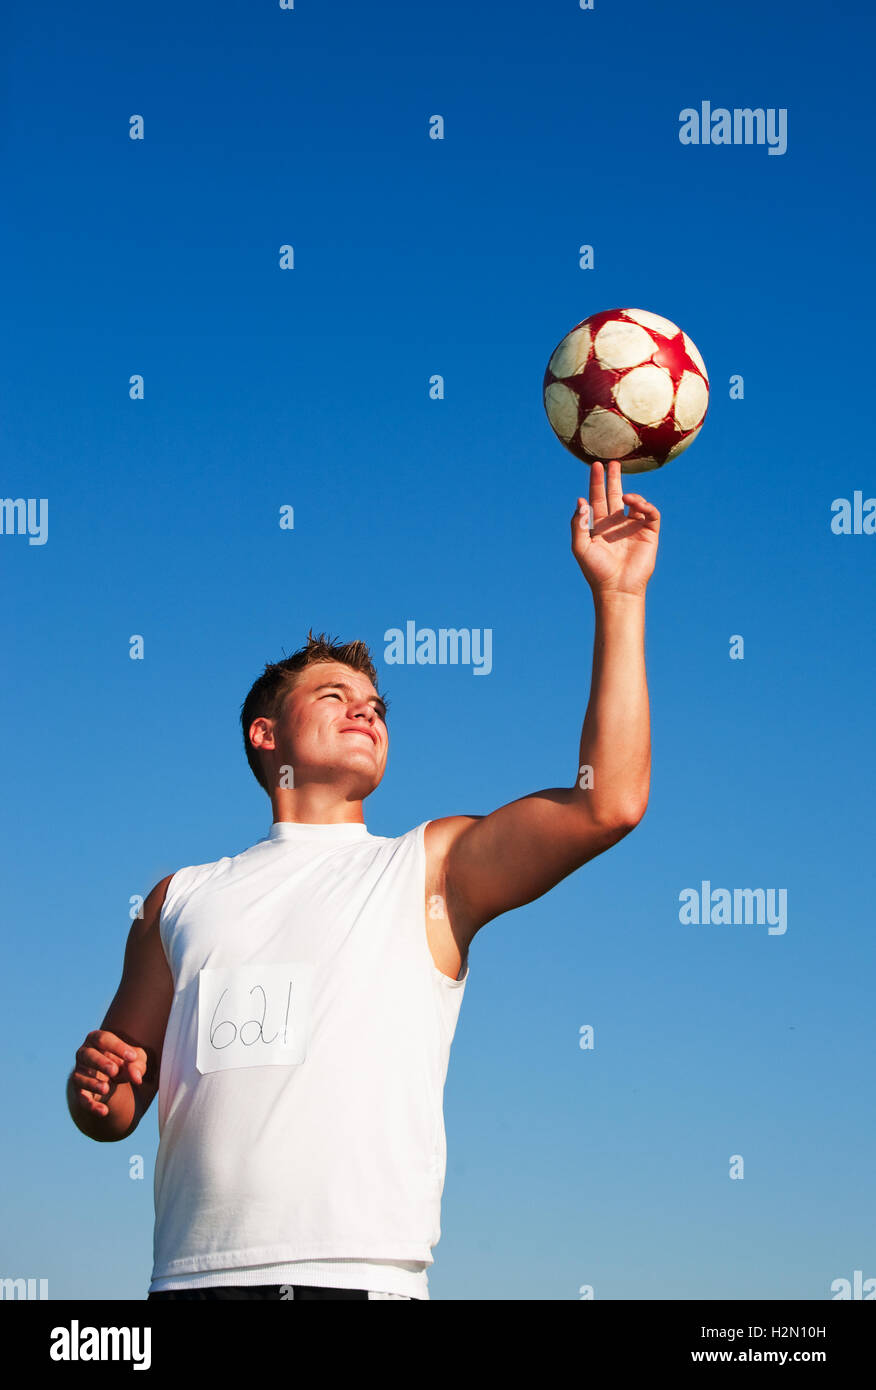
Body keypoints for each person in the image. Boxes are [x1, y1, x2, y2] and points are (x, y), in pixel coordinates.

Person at [66, 460, 660, 1300]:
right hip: (188, 1281)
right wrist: (98, 1094)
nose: (367, 709)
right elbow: (114, 1098)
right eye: (335, 694)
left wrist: (620, 599)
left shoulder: (429, 866)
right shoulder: (178, 899)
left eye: (376, 704)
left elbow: (611, 806)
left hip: (362, 1277)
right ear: (264, 736)